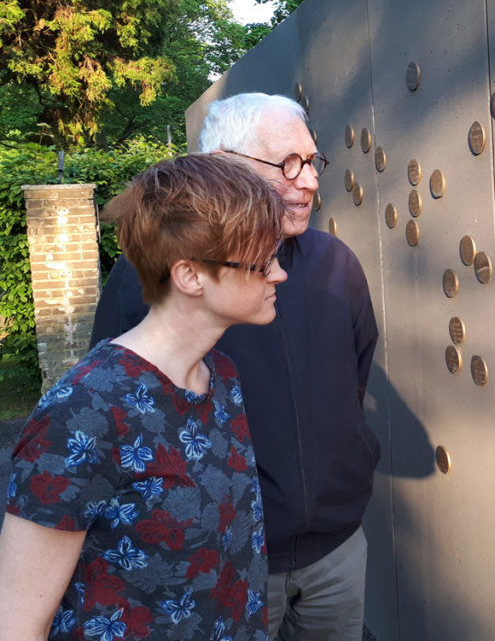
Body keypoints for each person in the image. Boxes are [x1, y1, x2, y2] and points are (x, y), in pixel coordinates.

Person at [90, 93, 381, 641]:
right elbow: (114, 420)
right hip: (222, 559)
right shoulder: (144, 279)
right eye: (287, 164)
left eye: (312, 162)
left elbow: (355, 376)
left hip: (337, 547)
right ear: (224, 166)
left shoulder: (337, 264)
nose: (310, 181)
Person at [0, 154, 287, 640]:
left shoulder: (221, 378)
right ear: (190, 276)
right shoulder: (85, 412)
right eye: (262, 263)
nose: (279, 274)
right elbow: (17, 622)